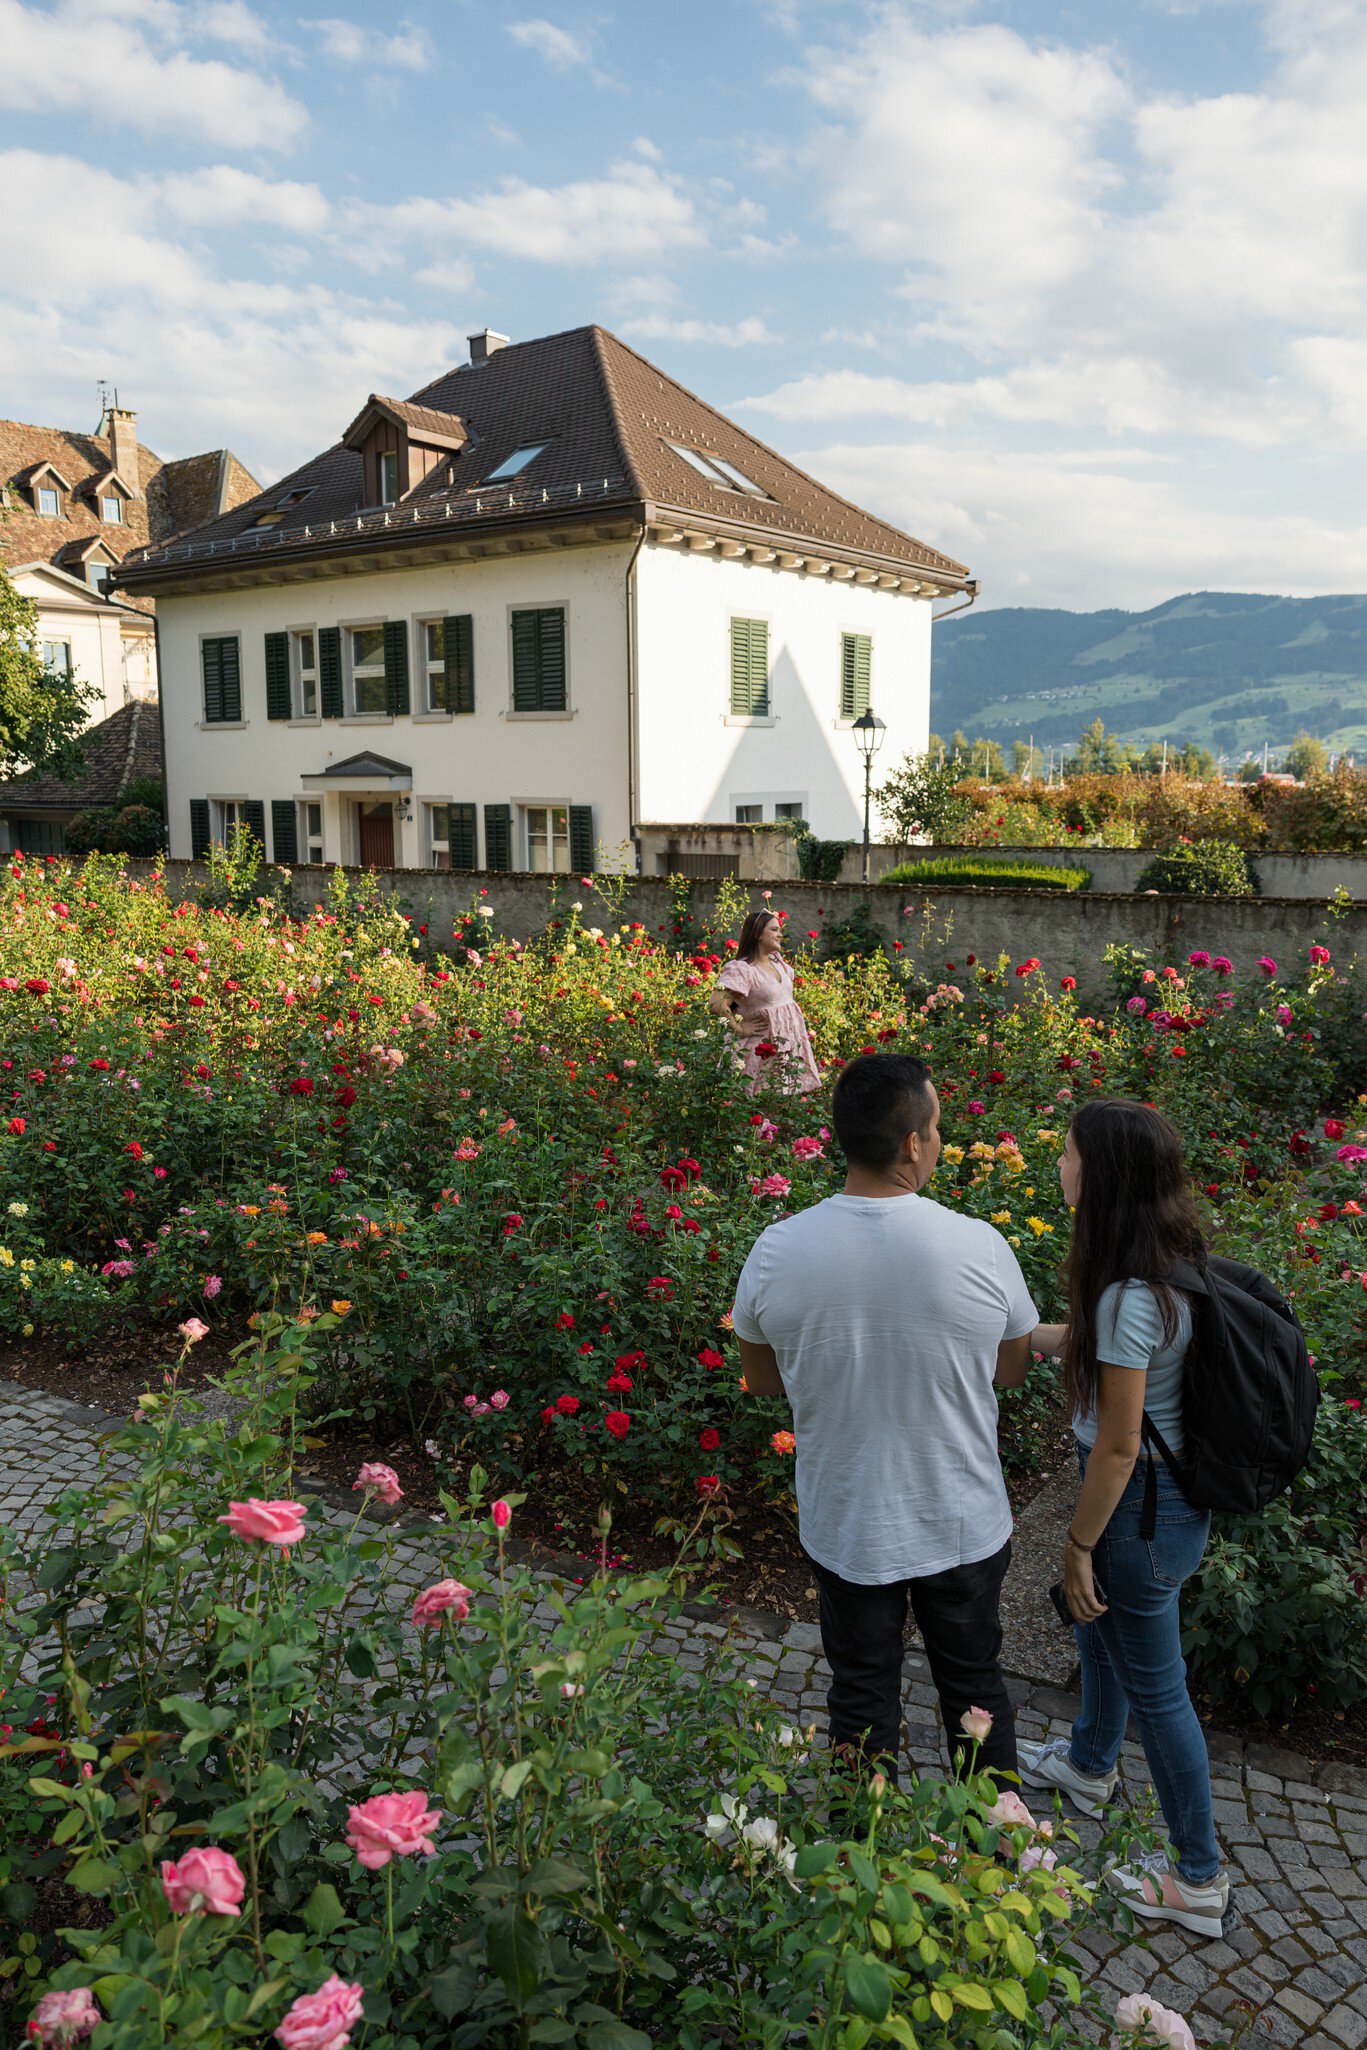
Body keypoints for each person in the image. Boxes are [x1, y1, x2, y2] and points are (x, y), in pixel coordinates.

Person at [731, 1052, 1038, 1792]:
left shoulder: (776, 1250)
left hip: (847, 1517)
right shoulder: (977, 1244)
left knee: (859, 1698)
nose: (936, 1142)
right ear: (911, 1143)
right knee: (975, 1693)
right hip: (959, 1514)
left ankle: (857, 1867)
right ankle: (991, 1868)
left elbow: (763, 1383)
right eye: (935, 1129)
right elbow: (1011, 1369)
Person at [1020, 1098, 1229, 1941]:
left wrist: (1075, 1544)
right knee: (1092, 1631)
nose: (1058, 1166)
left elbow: (1113, 1448)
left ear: (1098, 1174)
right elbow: (1109, 1348)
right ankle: (1087, 1764)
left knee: (1159, 1690)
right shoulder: (1167, 1262)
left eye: (1066, 1154)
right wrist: (1021, 1333)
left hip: (1137, 1508)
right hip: (1165, 1502)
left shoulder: (1125, 1296)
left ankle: (1198, 1877)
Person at [707, 908, 820, 1096]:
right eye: (774, 930)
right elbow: (716, 1003)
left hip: (783, 1049)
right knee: (754, 1109)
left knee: (779, 1109)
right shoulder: (743, 969)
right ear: (758, 933)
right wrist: (740, 1028)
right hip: (758, 1052)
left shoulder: (779, 964)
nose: (780, 934)